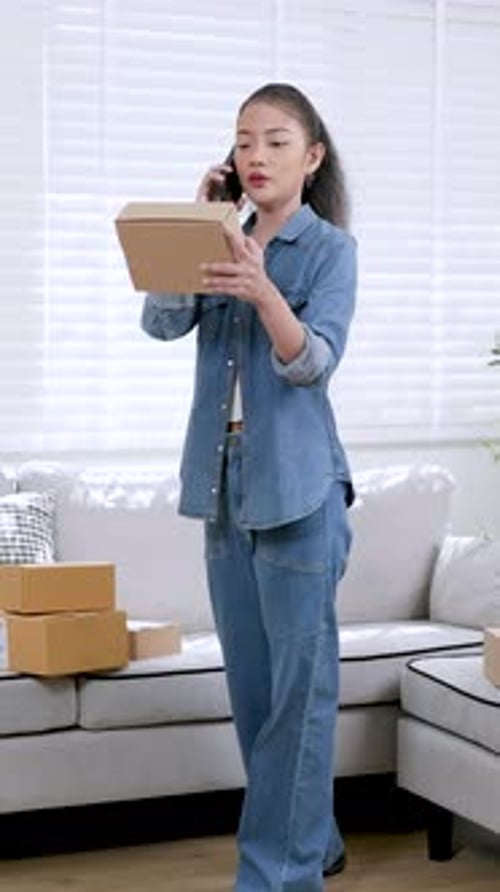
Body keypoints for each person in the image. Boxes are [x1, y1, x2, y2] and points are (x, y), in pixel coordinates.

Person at [141, 82, 357, 892]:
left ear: (312, 157)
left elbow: (311, 362)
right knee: (258, 695)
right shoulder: (220, 235)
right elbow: (163, 323)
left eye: (274, 140)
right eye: (243, 142)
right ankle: (318, 838)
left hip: (301, 492)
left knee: (299, 703)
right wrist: (192, 231)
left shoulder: (330, 251)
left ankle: (276, 879)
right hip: (225, 487)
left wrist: (264, 289)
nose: (255, 156)